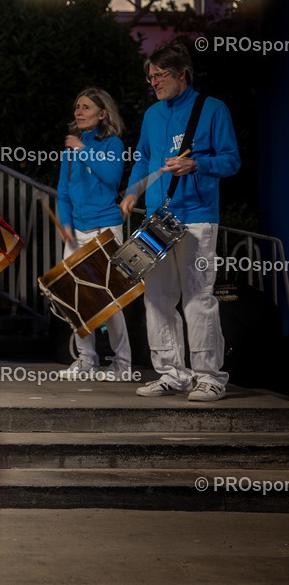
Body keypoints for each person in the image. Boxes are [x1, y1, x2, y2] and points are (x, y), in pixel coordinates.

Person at [120, 42, 241, 402]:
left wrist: (197, 164)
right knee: (156, 298)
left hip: (197, 219)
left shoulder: (212, 109)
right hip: (158, 219)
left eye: (159, 76)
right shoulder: (153, 114)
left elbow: (232, 160)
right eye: (150, 77)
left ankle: (210, 377)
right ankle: (173, 373)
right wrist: (132, 192)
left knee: (198, 299)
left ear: (181, 75)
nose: (153, 82)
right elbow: (143, 159)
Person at [55, 87, 134, 381]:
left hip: (105, 228)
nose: (79, 111)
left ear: (102, 114)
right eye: (77, 106)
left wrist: (83, 150)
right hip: (76, 231)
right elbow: (63, 193)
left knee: (108, 298)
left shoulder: (112, 144)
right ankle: (87, 359)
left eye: (86, 107)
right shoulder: (71, 149)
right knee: (75, 298)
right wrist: (65, 224)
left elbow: (112, 178)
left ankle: (122, 364)